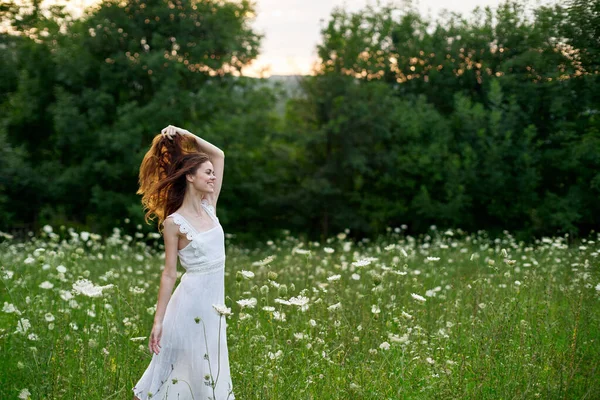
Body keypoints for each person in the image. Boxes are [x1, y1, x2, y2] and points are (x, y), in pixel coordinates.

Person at [132, 125, 235, 400]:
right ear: (190, 177)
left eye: (213, 173)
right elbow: (169, 274)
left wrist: (184, 134)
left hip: (214, 309)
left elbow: (219, 154)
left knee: (207, 372)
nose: (213, 177)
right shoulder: (173, 223)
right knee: (172, 371)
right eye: (207, 173)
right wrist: (158, 321)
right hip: (187, 306)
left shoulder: (209, 205)